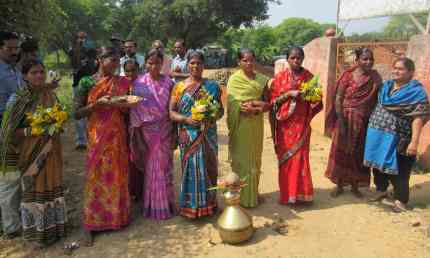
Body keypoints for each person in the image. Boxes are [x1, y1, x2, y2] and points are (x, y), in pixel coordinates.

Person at [1, 59, 67, 247]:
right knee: (31, 189)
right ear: (24, 76)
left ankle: (54, 229)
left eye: (41, 72)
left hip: (51, 151)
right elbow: (7, 132)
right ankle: (35, 234)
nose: (38, 76)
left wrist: (56, 125)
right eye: (33, 73)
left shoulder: (50, 95)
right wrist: (34, 130)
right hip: (29, 153)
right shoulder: (18, 98)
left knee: (51, 185)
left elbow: (60, 117)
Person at [74, 47, 131, 245]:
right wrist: (96, 105)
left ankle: (117, 217)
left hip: (117, 136)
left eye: (118, 61)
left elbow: (126, 109)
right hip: (97, 135)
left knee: (116, 174)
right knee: (96, 176)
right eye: (112, 60)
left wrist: (124, 106)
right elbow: (77, 112)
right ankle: (92, 222)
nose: (116, 64)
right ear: (100, 59)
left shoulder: (122, 82)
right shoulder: (87, 82)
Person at [364, 57, 430, 212]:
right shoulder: (386, 86)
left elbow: (418, 118)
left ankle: (401, 199)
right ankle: (381, 190)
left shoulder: (416, 92)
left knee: (400, 169)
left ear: (411, 72)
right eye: (394, 68)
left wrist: (414, 142)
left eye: (400, 69)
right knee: (377, 167)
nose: (396, 71)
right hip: (377, 136)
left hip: (400, 138)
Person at [169, 51, 223, 218]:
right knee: (190, 170)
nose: (195, 66)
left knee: (210, 168)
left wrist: (211, 115)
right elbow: (171, 113)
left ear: (203, 65)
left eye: (198, 63)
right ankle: (190, 206)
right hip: (188, 134)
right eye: (192, 63)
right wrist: (186, 119)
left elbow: (220, 110)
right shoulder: (179, 87)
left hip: (208, 133)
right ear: (187, 64)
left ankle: (211, 203)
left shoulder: (212, 86)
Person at [325, 48, 382, 198]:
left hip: (363, 121)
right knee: (341, 152)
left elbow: (379, 99)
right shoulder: (347, 75)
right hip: (344, 119)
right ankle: (339, 185)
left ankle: (355, 185)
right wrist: (341, 122)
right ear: (357, 60)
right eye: (365, 59)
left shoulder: (375, 78)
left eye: (371, 59)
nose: (368, 62)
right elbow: (338, 98)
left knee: (358, 153)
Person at [269, 47, 322, 205]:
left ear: (303, 59)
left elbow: (318, 101)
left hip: (302, 124)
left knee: (300, 158)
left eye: (299, 58)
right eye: (292, 58)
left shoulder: (309, 77)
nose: (296, 61)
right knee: (286, 160)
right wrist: (289, 95)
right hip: (285, 126)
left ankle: (302, 195)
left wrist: (310, 96)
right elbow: (273, 102)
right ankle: (287, 195)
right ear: (287, 59)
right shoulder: (279, 78)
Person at [129, 48, 176, 220]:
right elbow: (134, 111)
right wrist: (139, 133)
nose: (154, 66)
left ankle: (168, 204)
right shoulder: (138, 84)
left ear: (162, 63)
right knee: (152, 168)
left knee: (165, 167)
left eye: (157, 63)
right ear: (145, 63)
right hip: (147, 132)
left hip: (165, 130)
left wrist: (175, 133)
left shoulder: (169, 83)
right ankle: (153, 206)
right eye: (150, 63)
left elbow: (173, 109)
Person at [227, 49, 270, 208]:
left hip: (256, 125)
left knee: (255, 159)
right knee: (241, 160)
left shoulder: (262, 79)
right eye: (245, 60)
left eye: (252, 60)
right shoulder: (234, 80)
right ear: (239, 62)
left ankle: (254, 193)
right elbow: (232, 104)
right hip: (241, 125)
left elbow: (268, 103)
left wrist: (258, 107)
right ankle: (240, 195)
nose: (249, 63)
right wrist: (243, 107)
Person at [0, 31, 24, 239]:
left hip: (20, 127)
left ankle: (18, 219)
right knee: (9, 179)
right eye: (10, 48)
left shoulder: (15, 69)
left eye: (17, 48)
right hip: (5, 129)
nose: (15, 52)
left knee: (19, 174)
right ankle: (11, 226)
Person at [68, 31, 96, 150]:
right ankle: (81, 141)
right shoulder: (72, 51)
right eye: (80, 38)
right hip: (78, 84)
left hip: (90, 84)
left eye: (84, 37)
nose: (82, 39)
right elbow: (74, 64)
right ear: (76, 39)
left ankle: (92, 137)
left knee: (91, 111)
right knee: (78, 111)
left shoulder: (91, 50)